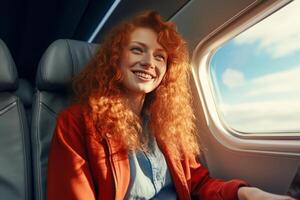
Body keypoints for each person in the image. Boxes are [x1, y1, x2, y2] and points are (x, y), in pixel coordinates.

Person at [46, 11, 295, 200]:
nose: (148, 62)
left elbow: (197, 183)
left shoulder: (165, 123)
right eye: (137, 50)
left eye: (159, 56)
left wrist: (248, 194)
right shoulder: (77, 122)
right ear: (115, 59)